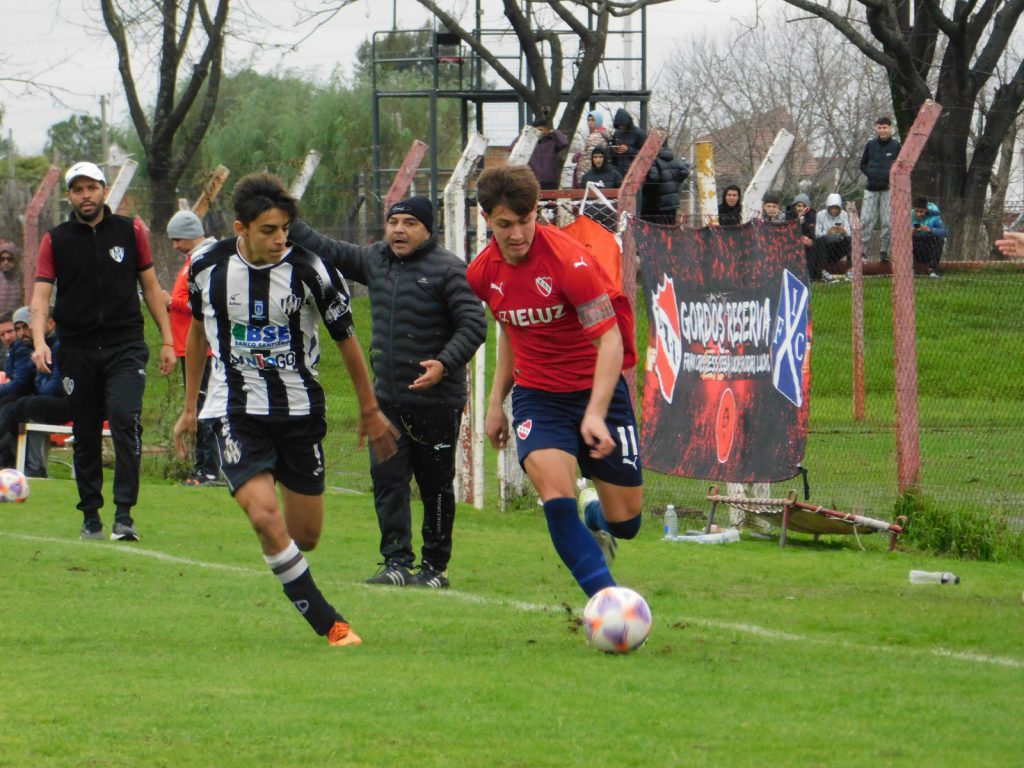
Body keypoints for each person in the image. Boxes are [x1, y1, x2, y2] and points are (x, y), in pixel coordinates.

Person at [173, 172, 399, 647]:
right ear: (241, 228)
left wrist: (369, 408)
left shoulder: (313, 271)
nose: (280, 239)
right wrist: (190, 407)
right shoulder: (206, 268)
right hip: (234, 409)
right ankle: (331, 624)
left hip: (299, 413)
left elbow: (347, 342)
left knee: (305, 535)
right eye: (268, 230)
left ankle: (284, 555)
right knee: (264, 517)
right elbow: (197, 332)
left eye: (285, 229)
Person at [288, 196, 486, 589]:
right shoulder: (375, 260)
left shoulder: (449, 270)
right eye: (393, 222)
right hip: (387, 403)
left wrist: (444, 364)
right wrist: (284, 214)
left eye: (409, 223)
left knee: (435, 486)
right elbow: (325, 248)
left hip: (437, 402)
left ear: (428, 229)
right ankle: (396, 562)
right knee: (387, 481)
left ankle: (435, 568)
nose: (399, 230)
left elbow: (473, 325)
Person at [466, 164, 643, 598]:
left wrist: (595, 414)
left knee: (627, 522)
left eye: (525, 221)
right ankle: (608, 602)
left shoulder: (570, 262)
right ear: (486, 219)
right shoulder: (482, 273)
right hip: (539, 397)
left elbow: (610, 341)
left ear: (536, 213)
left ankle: (596, 514)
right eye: (504, 224)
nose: (517, 234)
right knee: (556, 498)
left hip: (597, 391)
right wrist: (495, 403)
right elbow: (512, 331)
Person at [30, 161, 176, 542]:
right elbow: (41, 297)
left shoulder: (131, 230)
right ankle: (91, 517)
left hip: (124, 345)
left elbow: (151, 287)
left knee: (124, 419)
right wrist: (40, 341)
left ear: (103, 190)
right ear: (69, 196)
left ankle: (124, 515)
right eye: (78, 190)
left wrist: (168, 340)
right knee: (86, 431)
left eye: (92, 188)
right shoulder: (55, 240)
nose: (86, 195)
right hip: (76, 349)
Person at [165, 209, 221, 485]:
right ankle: (202, 468)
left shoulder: (206, 259)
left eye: (177, 239)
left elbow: (204, 304)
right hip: (188, 347)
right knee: (197, 408)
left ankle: (209, 470)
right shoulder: (193, 260)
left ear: (189, 234)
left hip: (203, 350)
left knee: (204, 408)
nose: (174, 246)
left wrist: (170, 302)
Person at [0, 312, 71, 477]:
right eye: (18, 328)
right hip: (55, 400)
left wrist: (39, 378)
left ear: (51, 324)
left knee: (29, 404)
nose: (28, 330)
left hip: (74, 402)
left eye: (28, 325)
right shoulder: (37, 347)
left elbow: (53, 388)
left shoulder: (58, 347)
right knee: (12, 402)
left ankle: (35, 467)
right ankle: (10, 460)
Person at [859, 116, 902, 262]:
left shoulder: (896, 146)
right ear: (875, 128)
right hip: (871, 189)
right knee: (866, 220)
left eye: (885, 127)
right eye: (879, 127)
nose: (882, 130)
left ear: (890, 128)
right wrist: (871, 175)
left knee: (887, 222)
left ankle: (884, 251)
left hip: (887, 190)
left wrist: (891, 180)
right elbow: (862, 164)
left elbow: (901, 168)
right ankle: (862, 252)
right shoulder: (870, 145)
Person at [521, 117, 569, 190]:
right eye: (535, 130)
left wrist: (554, 132)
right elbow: (513, 148)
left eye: (540, 130)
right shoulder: (529, 143)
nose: (538, 132)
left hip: (551, 180)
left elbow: (564, 142)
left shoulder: (552, 141)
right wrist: (524, 135)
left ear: (546, 129)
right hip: (533, 179)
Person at [813, 193, 852, 282]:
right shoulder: (820, 215)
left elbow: (849, 233)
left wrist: (844, 231)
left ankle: (850, 271)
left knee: (850, 240)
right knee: (821, 240)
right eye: (832, 208)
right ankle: (823, 272)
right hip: (825, 249)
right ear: (828, 207)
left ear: (840, 208)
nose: (834, 210)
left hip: (838, 247)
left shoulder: (844, 214)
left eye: (836, 208)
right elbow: (816, 234)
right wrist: (827, 233)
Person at [911, 196, 948, 278]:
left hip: (929, 247)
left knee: (941, 239)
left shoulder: (934, 216)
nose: (918, 214)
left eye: (921, 211)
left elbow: (945, 232)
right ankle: (912, 269)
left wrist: (929, 229)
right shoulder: (909, 215)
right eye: (916, 211)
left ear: (926, 210)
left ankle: (932, 270)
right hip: (915, 246)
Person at [572, 110, 610, 187]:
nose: (590, 122)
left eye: (593, 120)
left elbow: (590, 156)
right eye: (588, 120)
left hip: (589, 173)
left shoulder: (596, 136)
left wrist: (580, 157)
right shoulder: (600, 134)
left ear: (598, 121)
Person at [609, 109, 647, 175]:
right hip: (619, 171)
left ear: (628, 123)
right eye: (619, 125)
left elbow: (645, 155)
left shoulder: (639, 134)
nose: (621, 127)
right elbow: (613, 156)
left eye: (623, 125)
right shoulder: (617, 133)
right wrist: (613, 150)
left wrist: (628, 150)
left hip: (634, 172)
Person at [787, 193, 817, 279]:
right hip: (791, 240)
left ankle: (809, 275)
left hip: (806, 240)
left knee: (813, 246)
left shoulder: (812, 216)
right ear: (794, 206)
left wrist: (809, 240)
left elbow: (812, 232)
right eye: (799, 206)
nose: (801, 208)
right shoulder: (789, 215)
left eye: (804, 206)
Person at [0, 242, 21, 316]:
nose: (6, 262)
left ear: (15, 260)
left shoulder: (22, 281)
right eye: (2, 259)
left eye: (9, 259)